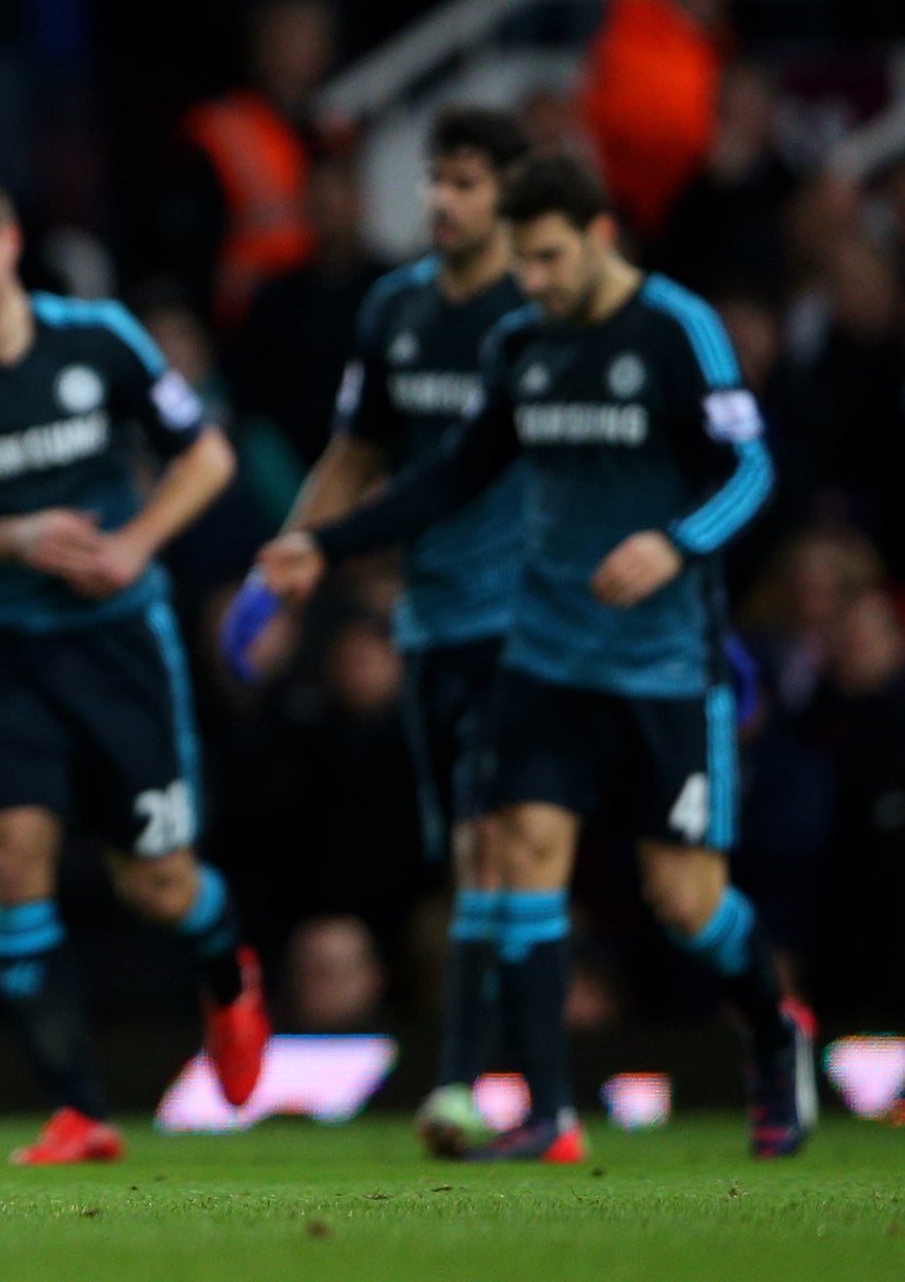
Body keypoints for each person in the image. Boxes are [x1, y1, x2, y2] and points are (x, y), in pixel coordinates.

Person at [259, 151, 814, 1163]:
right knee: (517, 858)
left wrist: (674, 542)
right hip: (544, 656)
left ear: (600, 236)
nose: (536, 282)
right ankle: (550, 1114)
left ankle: (774, 1039)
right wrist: (323, 547)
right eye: (522, 262)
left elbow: (750, 467)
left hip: (656, 665)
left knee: (683, 903)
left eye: (551, 259)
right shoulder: (521, 339)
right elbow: (451, 478)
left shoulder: (672, 327)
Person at [0, 161, 268, 1166]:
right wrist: (11, 537)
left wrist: (136, 544)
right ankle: (78, 1111)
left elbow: (207, 456)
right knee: (9, 858)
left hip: (116, 639)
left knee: (157, 883)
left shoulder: (100, 338)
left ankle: (226, 970)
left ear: (5, 244)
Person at [226, 107, 530, 1156]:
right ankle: (525, 1085)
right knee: (473, 853)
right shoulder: (394, 310)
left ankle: (488, 1088)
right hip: (430, 613)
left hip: (537, 616)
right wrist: (284, 560)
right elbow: (357, 453)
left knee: (505, 848)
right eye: (432, 181)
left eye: (463, 184)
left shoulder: (537, 313)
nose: (440, 202)